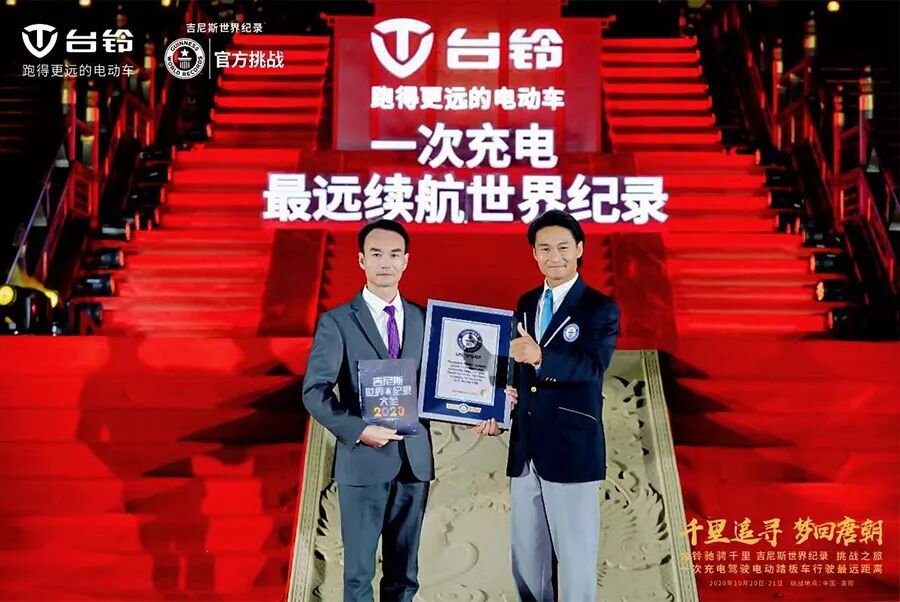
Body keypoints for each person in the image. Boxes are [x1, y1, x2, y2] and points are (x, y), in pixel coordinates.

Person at [473, 210, 620, 602]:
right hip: (526, 449)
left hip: (572, 447)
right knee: (527, 559)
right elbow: (520, 375)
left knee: (575, 560)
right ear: (534, 254)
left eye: (563, 247)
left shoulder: (599, 308)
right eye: (545, 249)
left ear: (580, 249)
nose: (555, 256)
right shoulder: (526, 302)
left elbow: (592, 368)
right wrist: (499, 406)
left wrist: (541, 357)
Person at [303, 219, 433, 602]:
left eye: (394, 254)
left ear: (406, 260)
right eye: (376, 254)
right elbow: (314, 392)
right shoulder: (338, 322)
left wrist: (479, 408)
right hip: (363, 462)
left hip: (413, 463)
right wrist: (359, 429)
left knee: (404, 576)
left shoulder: (424, 319)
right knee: (359, 576)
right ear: (361, 260)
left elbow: (438, 387)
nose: (385, 262)